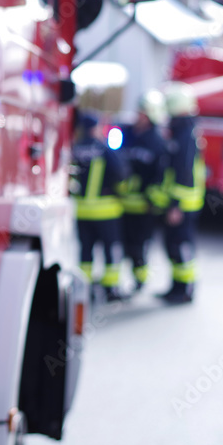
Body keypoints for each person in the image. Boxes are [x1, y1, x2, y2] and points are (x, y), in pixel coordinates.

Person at [71, 111, 127, 302]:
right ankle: (110, 289)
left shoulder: (75, 148)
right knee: (111, 250)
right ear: (95, 128)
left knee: (85, 251)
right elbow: (120, 173)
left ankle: (84, 290)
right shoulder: (104, 149)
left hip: (82, 211)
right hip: (105, 211)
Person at [158, 83, 205, 304]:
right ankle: (176, 287)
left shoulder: (186, 134)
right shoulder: (182, 130)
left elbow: (183, 171)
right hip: (179, 202)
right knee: (173, 245)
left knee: (181, 246)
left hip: (183, 203)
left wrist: (175, 204)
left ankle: (185, 290)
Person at [120, 90, 169, 292]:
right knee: (123, 244)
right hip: (123, 203)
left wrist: (153, 201)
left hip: (144, 206)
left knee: (139, 246)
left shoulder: (158, 142)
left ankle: (140, 279)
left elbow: (161, 175)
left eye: (142, 113)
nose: (138, 116)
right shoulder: (127, 133)